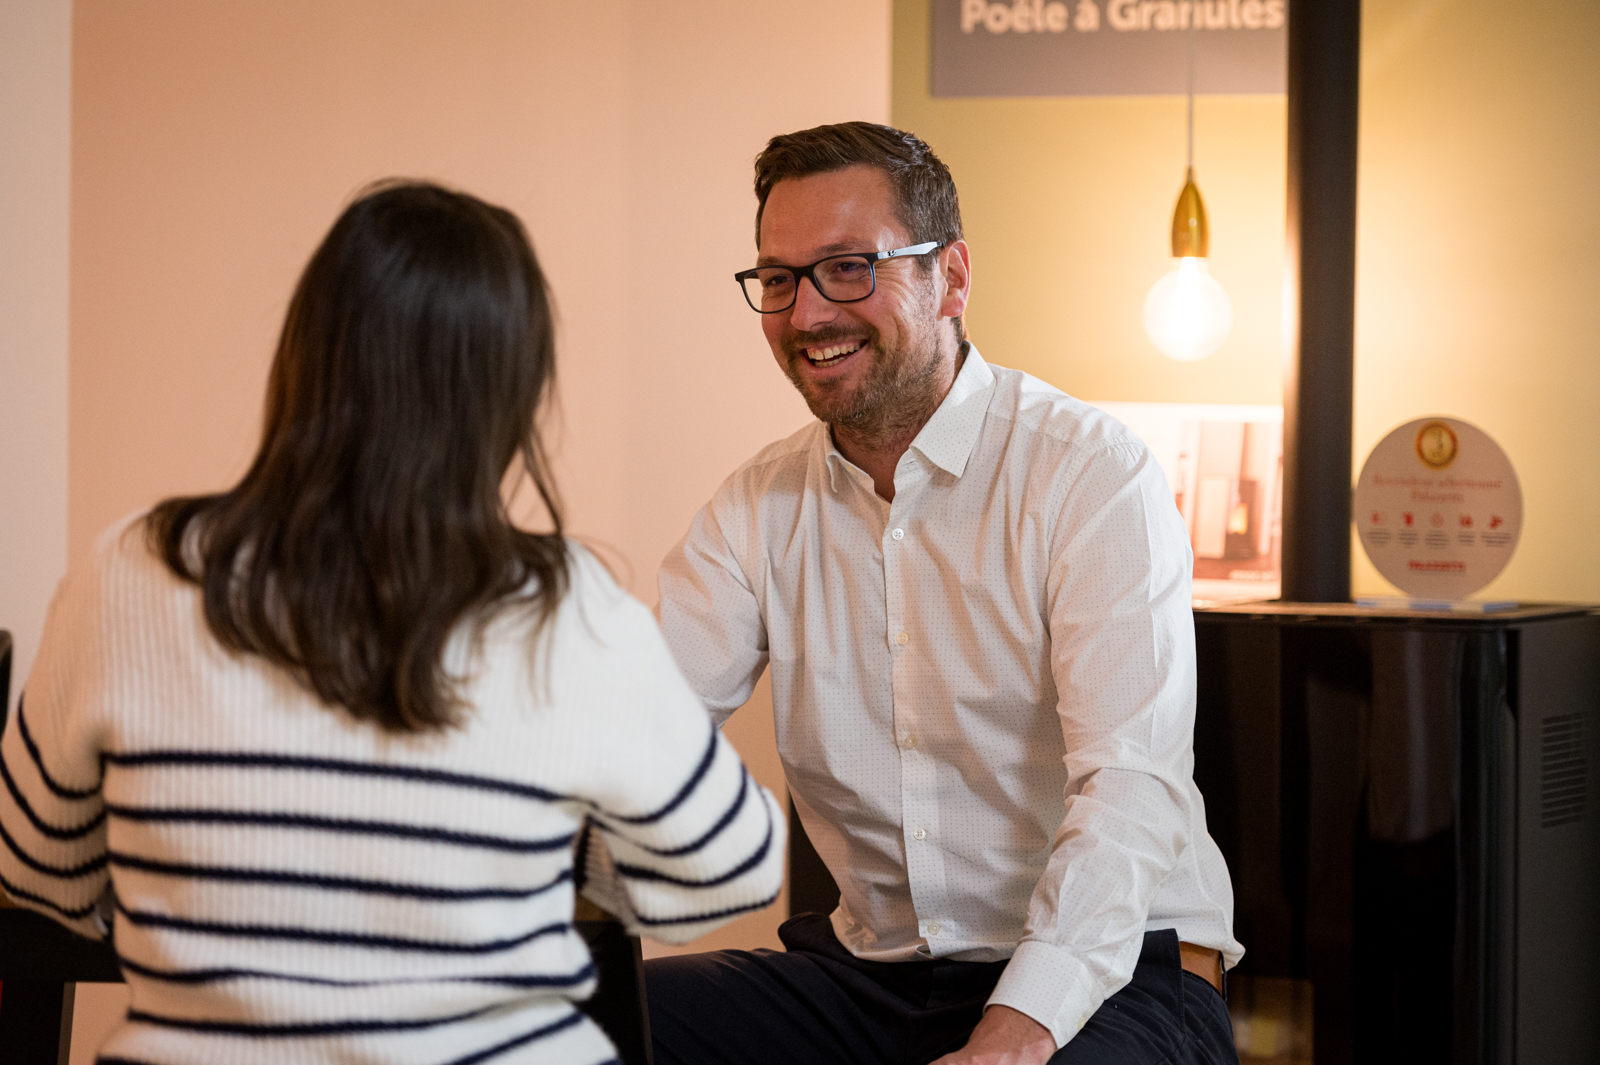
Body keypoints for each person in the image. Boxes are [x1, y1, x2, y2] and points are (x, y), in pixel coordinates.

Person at [0, 181, 783, 1065]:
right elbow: (729, 868)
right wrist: (557, 854)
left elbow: (33, 864)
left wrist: (200, 872)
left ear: (307, 351)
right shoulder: (564, 607)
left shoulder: (131, 568)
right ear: (510, 391)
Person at [646, 122, 1242, 1065]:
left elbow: (1130, 787)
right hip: (876, 975)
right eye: (779, 279)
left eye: (848, 268)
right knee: (578, 1025)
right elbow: (634, 733)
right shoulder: (755, 506)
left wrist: (1014, 1031)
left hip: (1122, 973)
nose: (806, 315)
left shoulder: (1090, 474)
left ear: (952, 278)